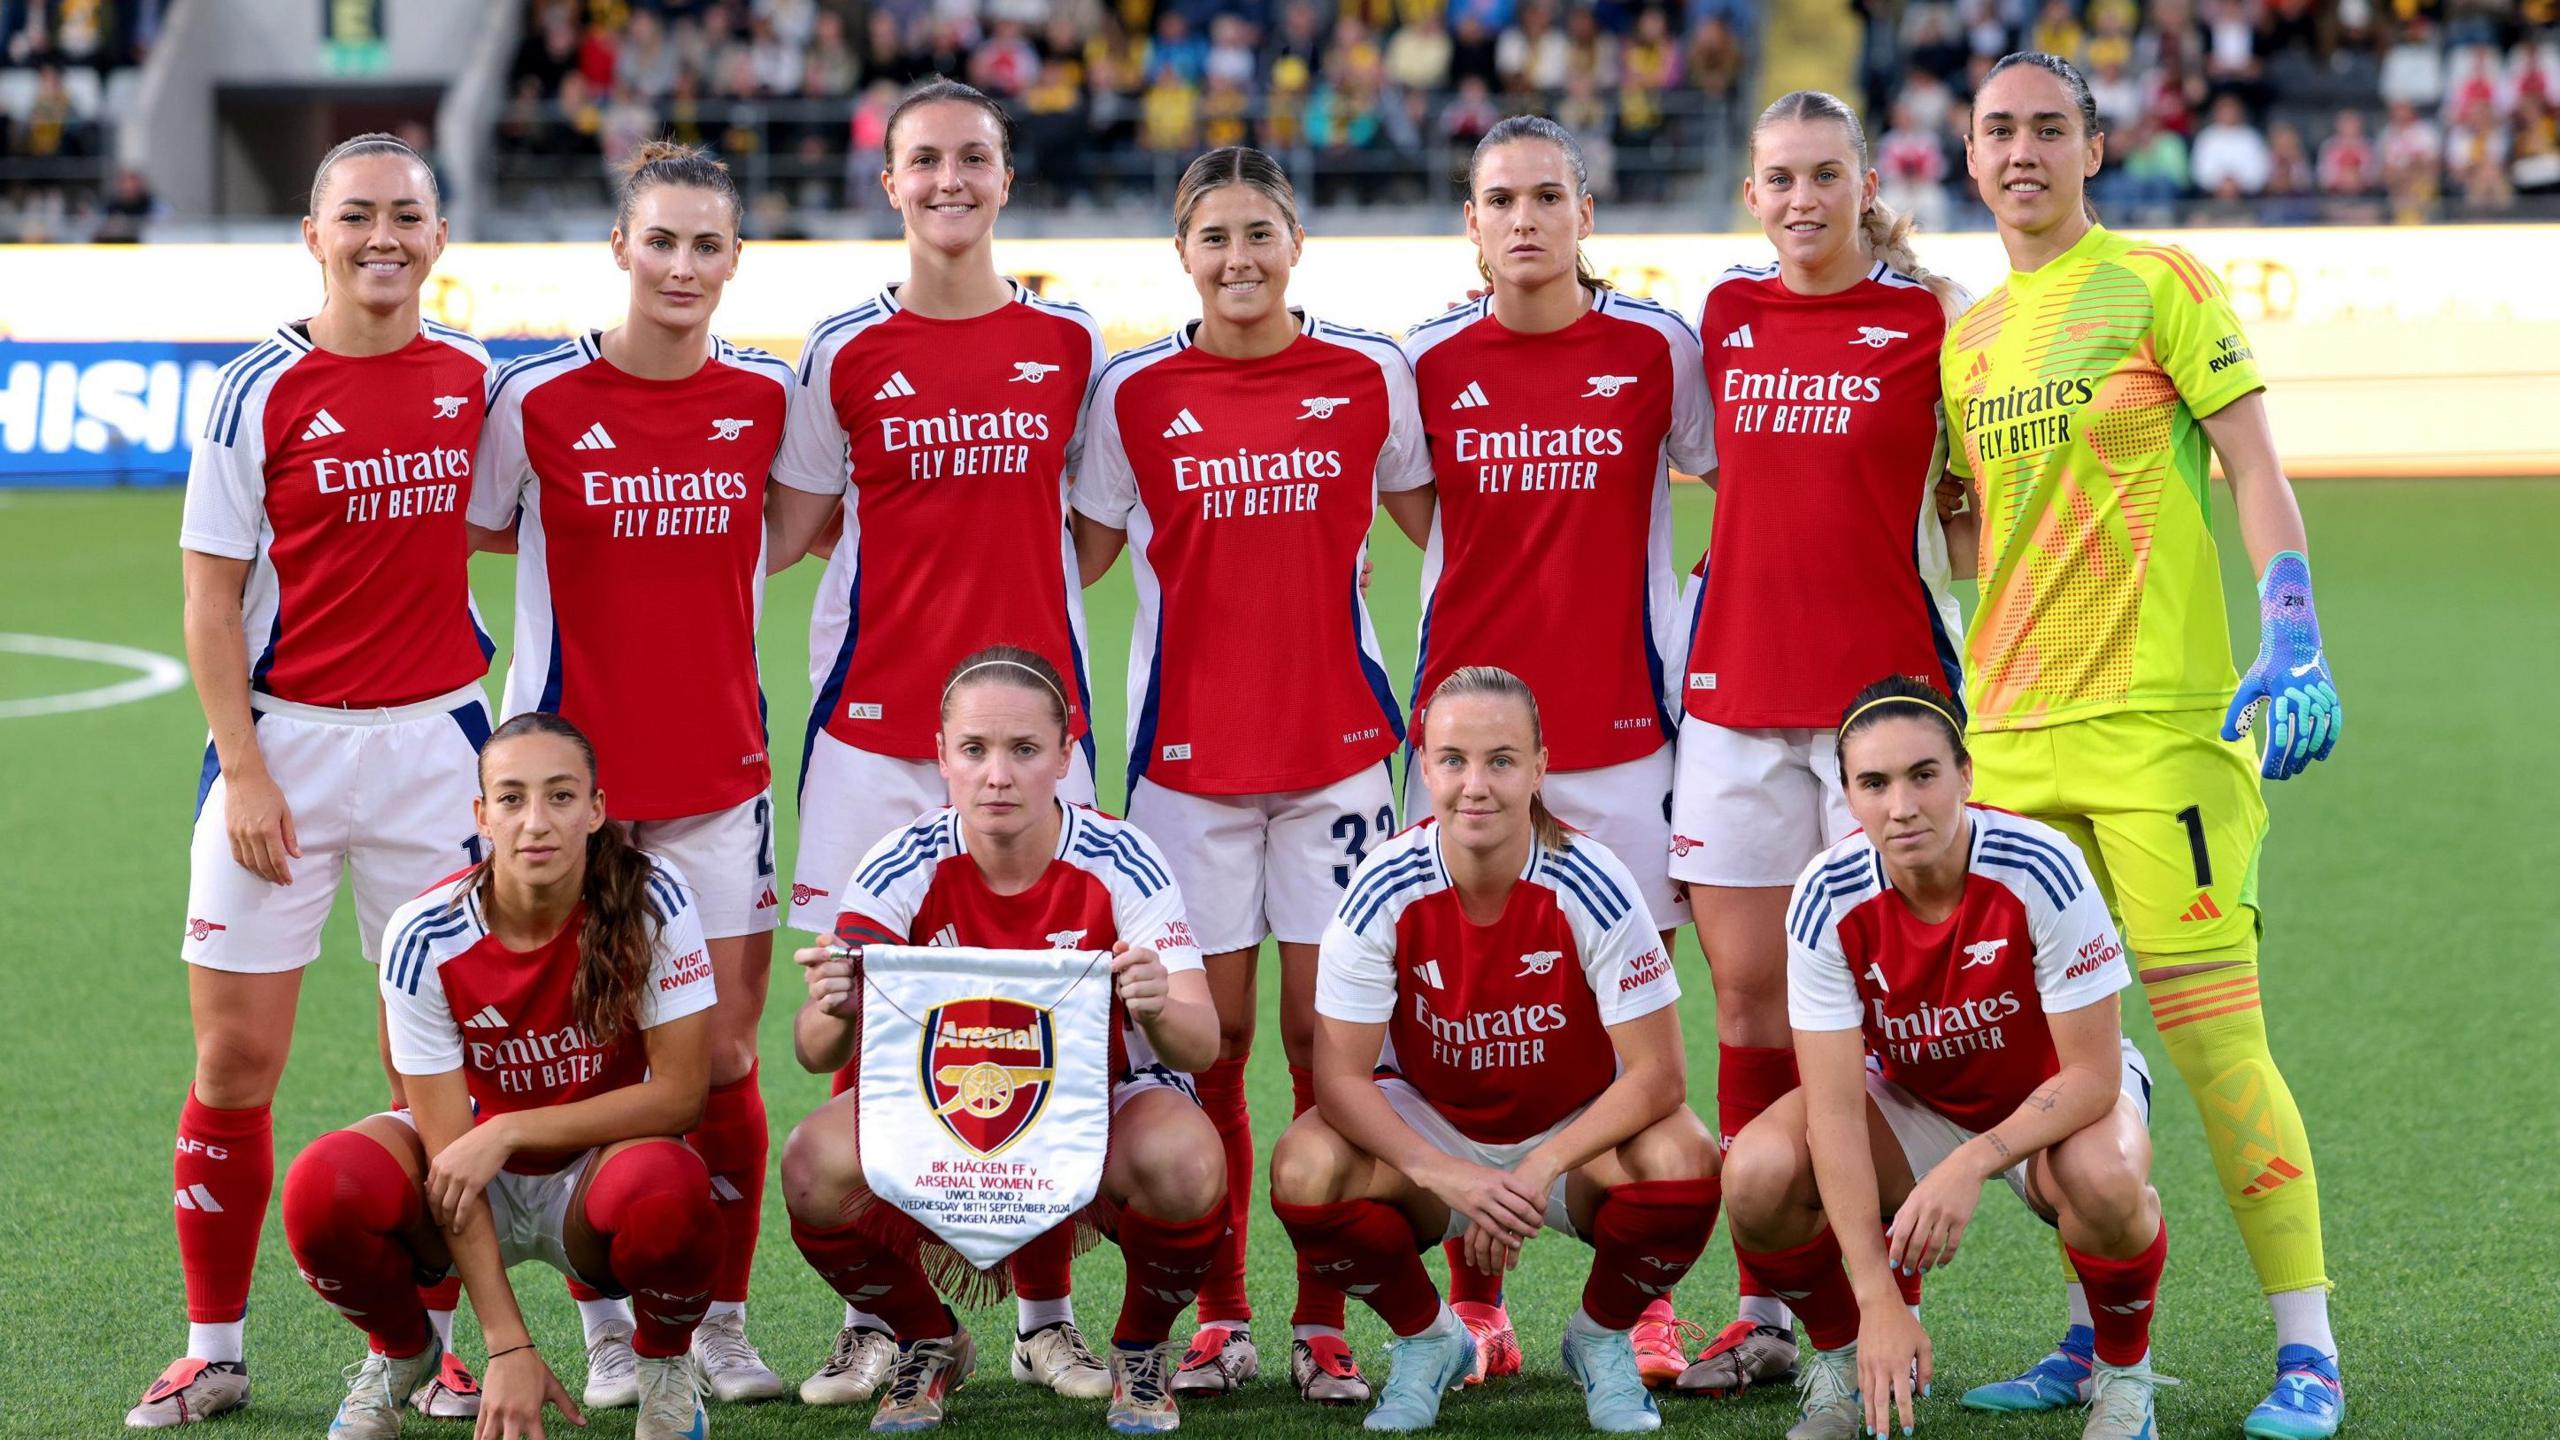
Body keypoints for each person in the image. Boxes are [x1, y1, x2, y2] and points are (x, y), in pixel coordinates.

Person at [1946, 51, 2346, 1440]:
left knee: (2217, 1049)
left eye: (2048, 129)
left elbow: (2255, 464)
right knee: (2062, 1066)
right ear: (1971, 151)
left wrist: (2290, 629)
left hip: (2164, 737)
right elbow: (1970, 531)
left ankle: (2308, 1350)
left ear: (2092, 150)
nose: (2022, 153)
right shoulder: (1971, 337)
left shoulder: (2159, 284)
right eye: (1999, 131)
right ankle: (2091, 1334)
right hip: (2008, 747)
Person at [132, 132, 497, 1429]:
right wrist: (241, 768)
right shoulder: (256, 391)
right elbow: (211, 599)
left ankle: (455, 1341)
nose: (383, 235)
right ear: (312, 233)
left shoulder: (473, 382)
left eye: (407, 213)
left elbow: (530, 515)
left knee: (442, 1065)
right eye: (358, 215)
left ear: (440, 236)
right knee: (236, 1058)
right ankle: (215, 1349)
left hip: (437, 760)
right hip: (279, 749)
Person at [765, 78, 1113, 1405]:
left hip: (1030, 744)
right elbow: (795, 533)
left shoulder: (1070, 342)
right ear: (890, 180)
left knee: (1034, 1021)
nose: (950, 179)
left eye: (975, 157)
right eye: (926, 160)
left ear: (1006, 178)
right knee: (857, 1028)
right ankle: (887, 1315)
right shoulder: (839, 351)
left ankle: (1043, 1314)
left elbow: (1091, 529)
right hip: (871, 736)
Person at [1067, 144, 1433, 1406]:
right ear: (1181, 254)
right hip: (1188, 770)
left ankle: (1322, 1319)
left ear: (1295, 243)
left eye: (1259, 233)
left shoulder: (1367, 373)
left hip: (1337, 760)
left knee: (1326, 1044)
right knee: (1209, 1051)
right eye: (1213, 236)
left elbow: (1437, 526)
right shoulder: (1130, 395)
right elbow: (1079, 560)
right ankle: (1220, 1315)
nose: (1238, 258)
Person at [467, 139, 796, 1407]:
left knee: (717, 1060)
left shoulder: (765, 398)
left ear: (732, 261)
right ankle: (608, 1333)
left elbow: (796, 524)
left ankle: (718, 1318)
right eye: (659, 239)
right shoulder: (536, 399)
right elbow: (488, 525)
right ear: (619, 247)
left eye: (707, 244)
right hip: (568, 789)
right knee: (588, 1054)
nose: (682, 264)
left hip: (720, 772)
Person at [1395, 113, 1714, 1390]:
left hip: (1623, 739)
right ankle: (1474, 1298)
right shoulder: (1416, 363)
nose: (1522, 219)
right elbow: (1422, 515)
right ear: (1468, 226)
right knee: (1474, 1014)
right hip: (1467, 753)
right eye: (1497, 200)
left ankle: (1633, 1306)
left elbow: (1734, 481)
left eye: (1545, 196)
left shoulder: (1656, 347)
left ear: (1587, 214)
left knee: (1618, 1019)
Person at [1670, 88, 1971, 1398]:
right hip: (1733, 709)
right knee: (1745, 1004)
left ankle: (1878, 1300)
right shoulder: (1725, 317)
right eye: (1779, 177)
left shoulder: (1932, 321)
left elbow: (1974, 506)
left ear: (1865, 183)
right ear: (1752, 194)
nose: (1802, 199)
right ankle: (1766, 1313)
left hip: (1885, 723)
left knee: (1869, 1018)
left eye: (1825, 175)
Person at [781, 647, 1229, 1435]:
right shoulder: (901, 862)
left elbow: (1201, 1044)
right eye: (976, 750)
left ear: (1064, 758)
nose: (998, 775)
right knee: (810, 1167)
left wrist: (1157, 1003)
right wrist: (833, 1002)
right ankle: (931, 1337)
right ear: (942, 756)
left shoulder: (1120, 858)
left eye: (1024, 750)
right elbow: (814, 1050)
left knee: (1188, 1162)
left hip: (1101, 1111)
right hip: (951, 1111)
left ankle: (1139, 1347)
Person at [1270, 666, 1721, 1435]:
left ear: (1541, 768)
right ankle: (1430, 1340)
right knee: (1304, 1167)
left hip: (1570, 1141)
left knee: (1688, 1159)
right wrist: (1447, 1173)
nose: (1475, 785)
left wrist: (1537, 1167)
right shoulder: (1382, 886)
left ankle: (1600, 1339)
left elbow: (1660, 1077)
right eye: (1453, 761)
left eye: (1502, 761)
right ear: (1425, 765)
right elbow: (1339, 1081)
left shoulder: (1594, 880)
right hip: (1436, 1132)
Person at [1722, 676, 2169, 1440]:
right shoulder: (1825, 893)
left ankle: (2123, 1376)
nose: (1902, 806)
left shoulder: (2041, 865)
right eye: (1875, 783)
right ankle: (1844, 1363)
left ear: (1964, 774)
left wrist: (1966, 1166)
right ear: (1849, 794)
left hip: (2051, 1097)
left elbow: (2092, 1075)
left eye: (1924, 775)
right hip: (1914, 1103)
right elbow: (1831, 1115)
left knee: (2107, 1178)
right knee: (1758, 1174)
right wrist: (1878, 1301)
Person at [280, 712, 721, 1440]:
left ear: (597, 809)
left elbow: (680, 1097)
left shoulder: (653, 900)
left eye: (560, 796)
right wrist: (507, 1343)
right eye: (511, 799)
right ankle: (402, 1353)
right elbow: (452, 1162)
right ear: (481, 816)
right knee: (325, 1188)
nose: (536, 822)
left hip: (592, 1174)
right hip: (465, 1174)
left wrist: (511, 1127)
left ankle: (665, 1368)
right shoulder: (425, 932)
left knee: (669, 1194)